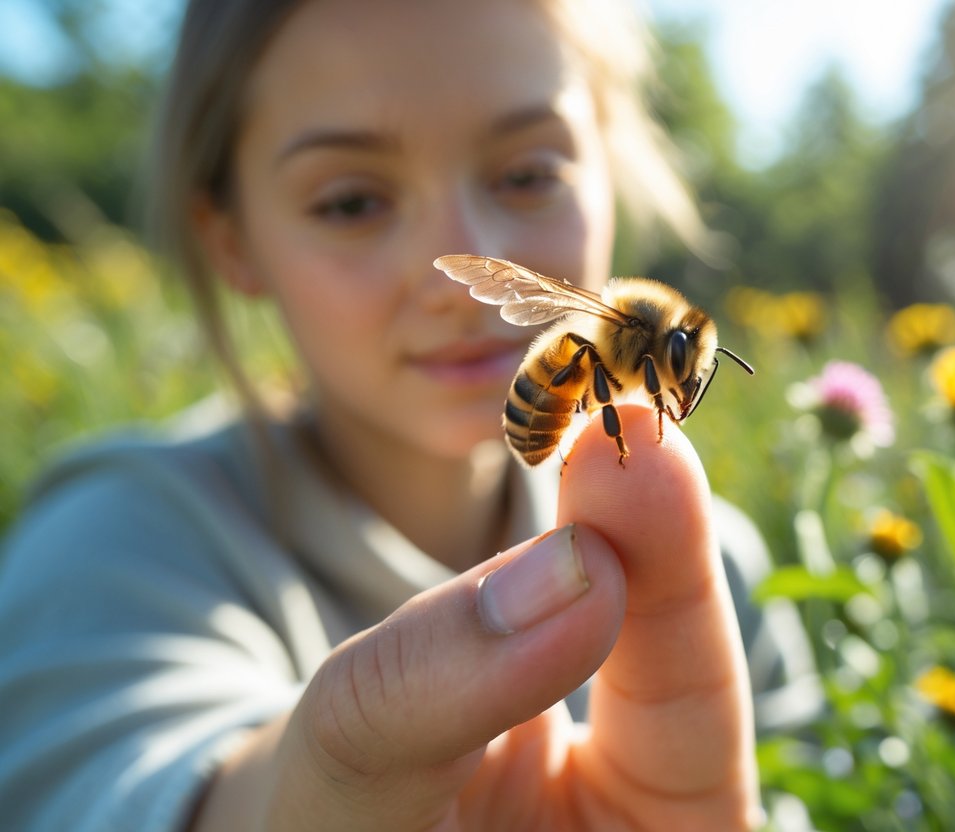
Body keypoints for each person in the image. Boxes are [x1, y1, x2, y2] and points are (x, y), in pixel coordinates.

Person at [0, 0, 811, 829]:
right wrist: (304, 794)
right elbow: (115, 777)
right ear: (232, 240)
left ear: (609, 167)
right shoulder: (116, 540)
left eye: (528, 175)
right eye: (351, 202)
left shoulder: (713, 562)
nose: (451, 274)